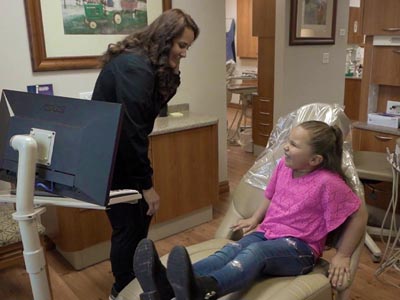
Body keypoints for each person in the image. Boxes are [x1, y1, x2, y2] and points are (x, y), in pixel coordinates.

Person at [133, 120, 368, 300]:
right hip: (267, 232)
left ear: (315, 159)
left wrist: (343, 254)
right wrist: (255, 218)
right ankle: (165, 283)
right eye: (288, 140)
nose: (285, 147)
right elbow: (271, 195)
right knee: (229, 251)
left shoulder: (328, 182)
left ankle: (204, 290)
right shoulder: (283, 168)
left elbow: (358, 214)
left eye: (294, 145)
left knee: (255, 253)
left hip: (300, 248)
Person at [91, 8, 199, 300]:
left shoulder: (142, 62)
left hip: (117, 156)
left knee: (137, 222)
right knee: (129, 226)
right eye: (181, 45)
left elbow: (152, 108)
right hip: (112, 160)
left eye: (187, 46)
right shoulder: (135, 67)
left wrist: (173, 72)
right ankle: (121, 289)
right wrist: (147, 186)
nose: (185, 53)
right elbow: (132, 132)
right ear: (165, 40)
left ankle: (136, 280)